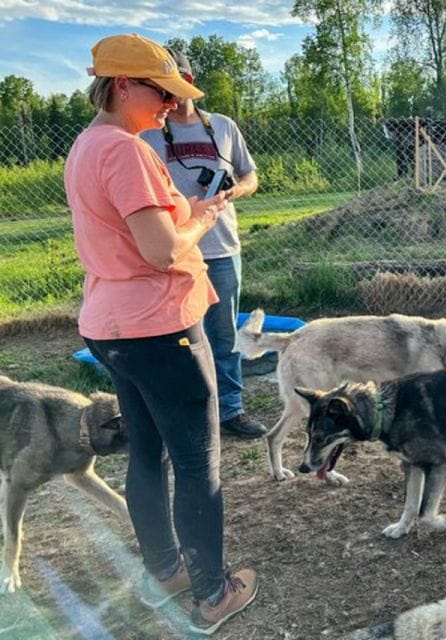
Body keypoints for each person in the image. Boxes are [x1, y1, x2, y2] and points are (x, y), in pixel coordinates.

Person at [65, 34, 258, 634]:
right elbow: (159, 251)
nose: (173, 105)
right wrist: (200, 218)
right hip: (159, 326)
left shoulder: (87, 144)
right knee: (199, 464)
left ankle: (164, 573)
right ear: (123, 85)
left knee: (147, 453)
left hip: (112, 325)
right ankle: (212, 593)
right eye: (163, 92)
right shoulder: (124, 151)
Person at [141, 49, 266, 440]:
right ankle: (186, 412)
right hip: (175, 250)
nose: (165, 95)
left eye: (170, 84)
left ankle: (230, 410)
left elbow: (250, 174)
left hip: (222, 247)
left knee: (224, 335)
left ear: (188, 82)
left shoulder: (224, 127)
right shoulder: (147, 133)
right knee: (176, 335)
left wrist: (234, 192)